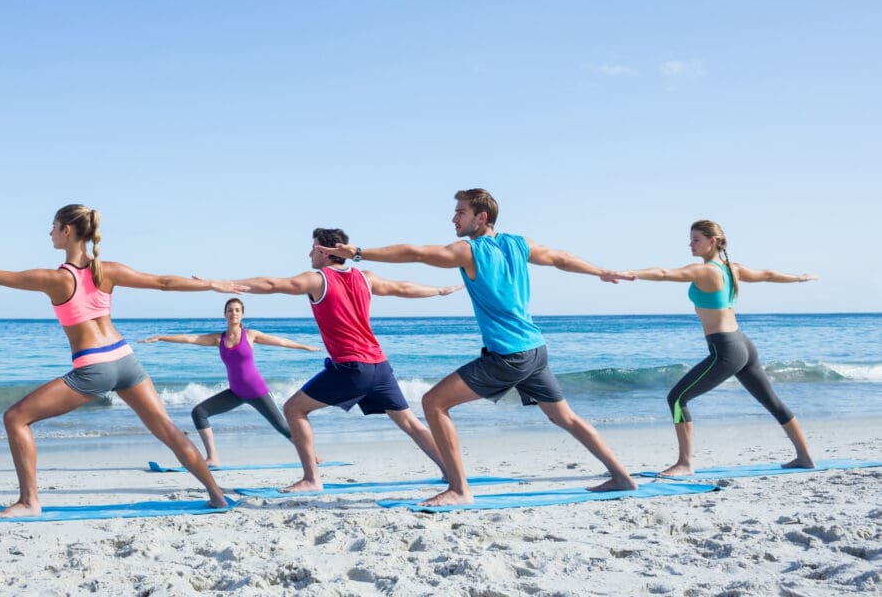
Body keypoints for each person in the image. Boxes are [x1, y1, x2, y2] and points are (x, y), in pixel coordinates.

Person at [0, 204, 245, 516]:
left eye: (53, 226)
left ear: (67, 231)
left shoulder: (57, 279)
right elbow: (165, 283)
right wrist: (213, 285)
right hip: (125, 359)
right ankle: (216, 496)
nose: (49, 232)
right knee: (167, 429)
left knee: (16, 418)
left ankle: (29, 502)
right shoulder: (108, 270)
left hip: (94, 367)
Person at [317, 189, 637, 506]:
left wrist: (358, 252)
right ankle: (621, 476)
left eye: (461, 212)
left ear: (481, 217)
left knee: (434, 403)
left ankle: (459, 489)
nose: (454, 218)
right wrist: (600, 271)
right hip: (535, 349)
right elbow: (561, 259)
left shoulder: (469, 251)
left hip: (510, 355)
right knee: (565, 417)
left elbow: (414, 252)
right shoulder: (518, 244)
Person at [225, 228, 461, 492]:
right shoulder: (365, 277)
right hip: (379, 365)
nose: (309, 253)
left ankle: (312, 479)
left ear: (325, 251)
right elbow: (402, 288)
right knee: (408, 421)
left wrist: (228, 284)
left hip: (352, 368)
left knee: (294, 409)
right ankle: (450, 472)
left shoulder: (318, 280)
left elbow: (272, 285)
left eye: (313, 248)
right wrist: (439, 291)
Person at [624, 219, 816, 476]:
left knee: (678, 398)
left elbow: (662, 273)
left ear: (711, 241)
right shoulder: (732, 269)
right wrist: (799, 278)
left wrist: (629, 273)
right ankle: (805, 457)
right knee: (772, 402)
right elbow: (768, 275)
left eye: (696, 240)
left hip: (726, 349)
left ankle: (685, 463)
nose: (690, 244)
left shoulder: (705, 271)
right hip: (743, 345)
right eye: (690, 239)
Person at [140, 297, 321, 467]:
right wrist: (162, 337)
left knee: (282, 427)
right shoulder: (218, 339)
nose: (233, 313)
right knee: (199, 412)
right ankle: (212, 458)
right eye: (230, 310)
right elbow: (190, 338)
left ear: (242, 314)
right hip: (236, 392)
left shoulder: (250, 335)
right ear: (225, 314)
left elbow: (280, 341)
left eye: (237, 310)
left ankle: (312, 455)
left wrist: (304, 346)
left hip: (257, 391)